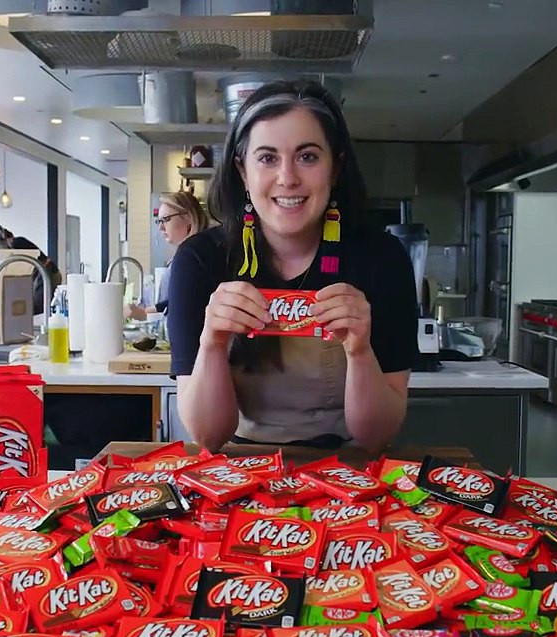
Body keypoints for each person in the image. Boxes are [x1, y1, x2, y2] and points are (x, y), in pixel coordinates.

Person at [167, 80, 418, 453]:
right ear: (242, 171)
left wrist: (361, 352)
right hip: (238, 467)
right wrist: (213, 344)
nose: (287, 178)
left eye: (308, 157)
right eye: (267, 158)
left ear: (335, 168)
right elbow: (208, 436)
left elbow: (377, 436)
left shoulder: (383, 259)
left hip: (350, 467)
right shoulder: (200, 260)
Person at [127, 191, 210, 320]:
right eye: (159, 221)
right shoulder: (185, 255)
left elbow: (184, 305)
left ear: (189, 218)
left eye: (166, 219)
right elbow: (173, 301)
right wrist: (146, 312)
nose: (161, 227)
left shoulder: (196, 258)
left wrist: (145, 314)